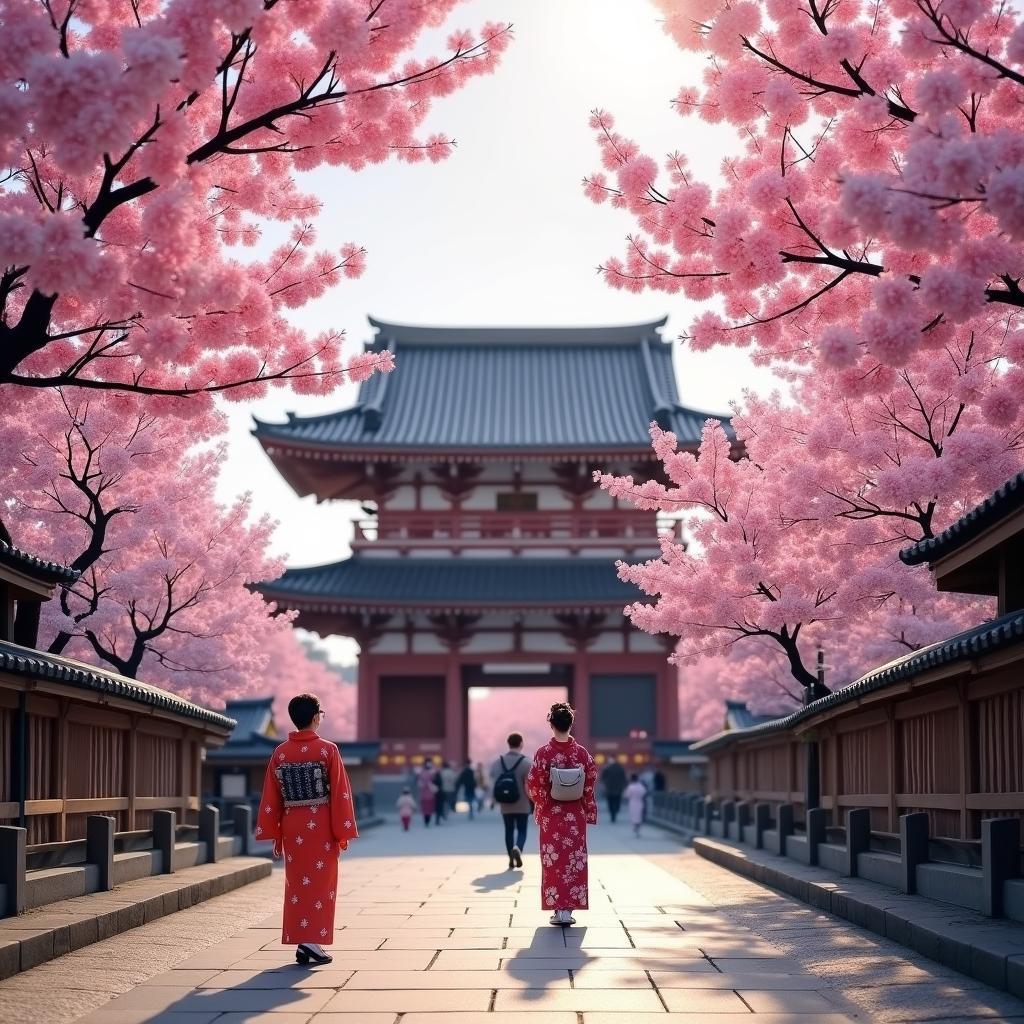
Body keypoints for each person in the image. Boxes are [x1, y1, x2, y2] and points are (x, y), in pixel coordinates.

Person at [256, 692, 359, 966]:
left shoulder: (280, 752)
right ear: (316, 717)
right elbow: (339, 793)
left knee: (297, 883)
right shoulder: (328, 750)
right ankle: (311, 942)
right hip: (320, 825)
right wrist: (342, 830)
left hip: (293, 825)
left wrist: (275, 830)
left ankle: (303, 943)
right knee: (322, 882)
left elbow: (272, 795)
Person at [526, 703, 597, 927]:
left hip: (552, 815)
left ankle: (558, 909)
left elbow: (534, 783)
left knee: (554, 862)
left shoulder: (543, 753)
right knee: (574, 861)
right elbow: (590, 780)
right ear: (570, 724)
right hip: (575, 815)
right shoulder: (582, 753)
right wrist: (588, 807)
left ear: (551, 724)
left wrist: (541, 804)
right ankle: (568, 910)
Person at [491, 733, 532, 869]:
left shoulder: (498, 762)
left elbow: (494, 780)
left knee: (508, 830)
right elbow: (531, 784)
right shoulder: (527, 763)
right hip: (522, 802)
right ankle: (518, 848)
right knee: (521, 830)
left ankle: (510, 858)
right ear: (521, 744)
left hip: (505, 803)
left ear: (508, 744)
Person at [600, 757, 627, 824]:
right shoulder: (620, 768)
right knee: (617, 801)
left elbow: (603, 778)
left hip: (609, 789)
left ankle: (612, 815)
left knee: (610, 803)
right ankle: (616, 811)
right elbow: (624, 778)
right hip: (618, 789)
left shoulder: (607, 768)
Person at [624, 773, 648, 838]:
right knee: (639, 815)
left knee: (633, 815)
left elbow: (627, 795)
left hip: (632, 802)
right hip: (640, 802)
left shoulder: (630, 786)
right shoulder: (641, 786)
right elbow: (644, 793)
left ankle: (635, 826)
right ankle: (638, 827)